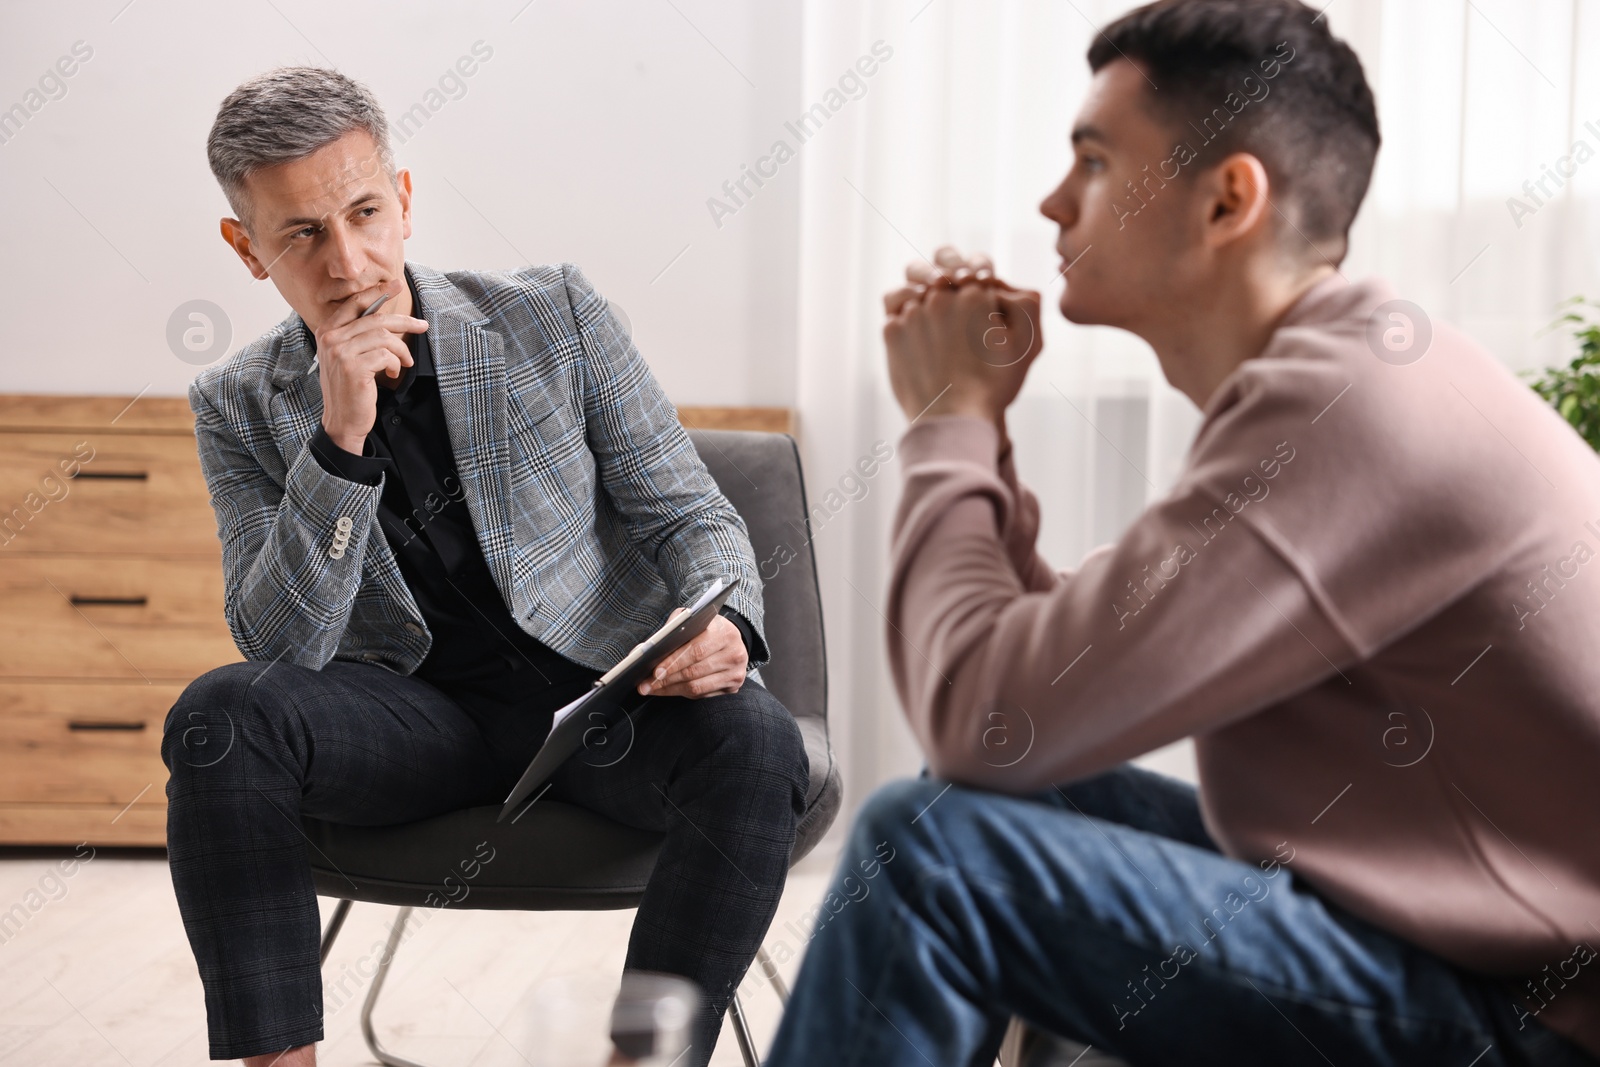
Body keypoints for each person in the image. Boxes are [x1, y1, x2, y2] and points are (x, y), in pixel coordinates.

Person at [766, 1, 1600, 1065]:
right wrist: (985, 435)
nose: (1052, 201)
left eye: (1095, 162)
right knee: (981, 798)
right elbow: (1049, 687)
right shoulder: (1348, 373)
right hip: (1450, 948)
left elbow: (981, 712)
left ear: (1225, 200)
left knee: (930, 856)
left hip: (1534, 1018)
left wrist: (950, 422)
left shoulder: (1344, 410)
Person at [164, 66, 811, 1067]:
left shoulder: (551, 316)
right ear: (245, 248)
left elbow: (690, 513)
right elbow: (282, 644)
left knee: (758, 743)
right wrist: (338, 440)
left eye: (366, 212)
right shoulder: (237, 402)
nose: (347, 261)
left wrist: (723, 625)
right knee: (220, 714)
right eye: (300, 234)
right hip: (413, 721)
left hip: (603, 699)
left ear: (406, 200)